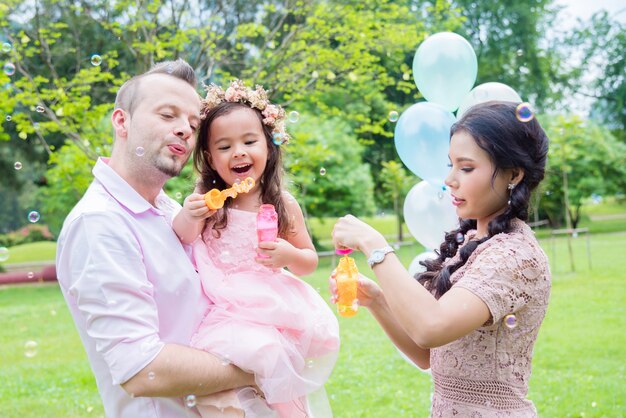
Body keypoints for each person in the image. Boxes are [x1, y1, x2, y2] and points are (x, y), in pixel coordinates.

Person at [56, 60, 257, 418]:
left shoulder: (170, 210)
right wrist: (262, 365)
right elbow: (140, 367)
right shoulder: (100, 223)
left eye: (193, 124)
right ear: (122, 121)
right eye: (168, 115)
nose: (184, 130)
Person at [330, 101, 551, 417]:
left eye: (466, 167)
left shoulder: (515, 256)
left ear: (513, 174)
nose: (450, 179)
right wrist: (377, 300)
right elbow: (427, 353)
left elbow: (431, 327)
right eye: (451, 165)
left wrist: (373, 244)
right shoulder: (474, 242)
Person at [171, 80, 340, 417]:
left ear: (269, 146)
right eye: (224, 146)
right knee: (237, 387)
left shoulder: (281, 204)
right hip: (223, 305)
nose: (239, 152)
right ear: (209, 157)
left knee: (272, 359)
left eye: (250, 141)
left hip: (270, 307)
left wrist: (288, 255)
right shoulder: (208, 203)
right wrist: (189, 216)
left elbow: (307, 262)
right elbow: (183, 238)